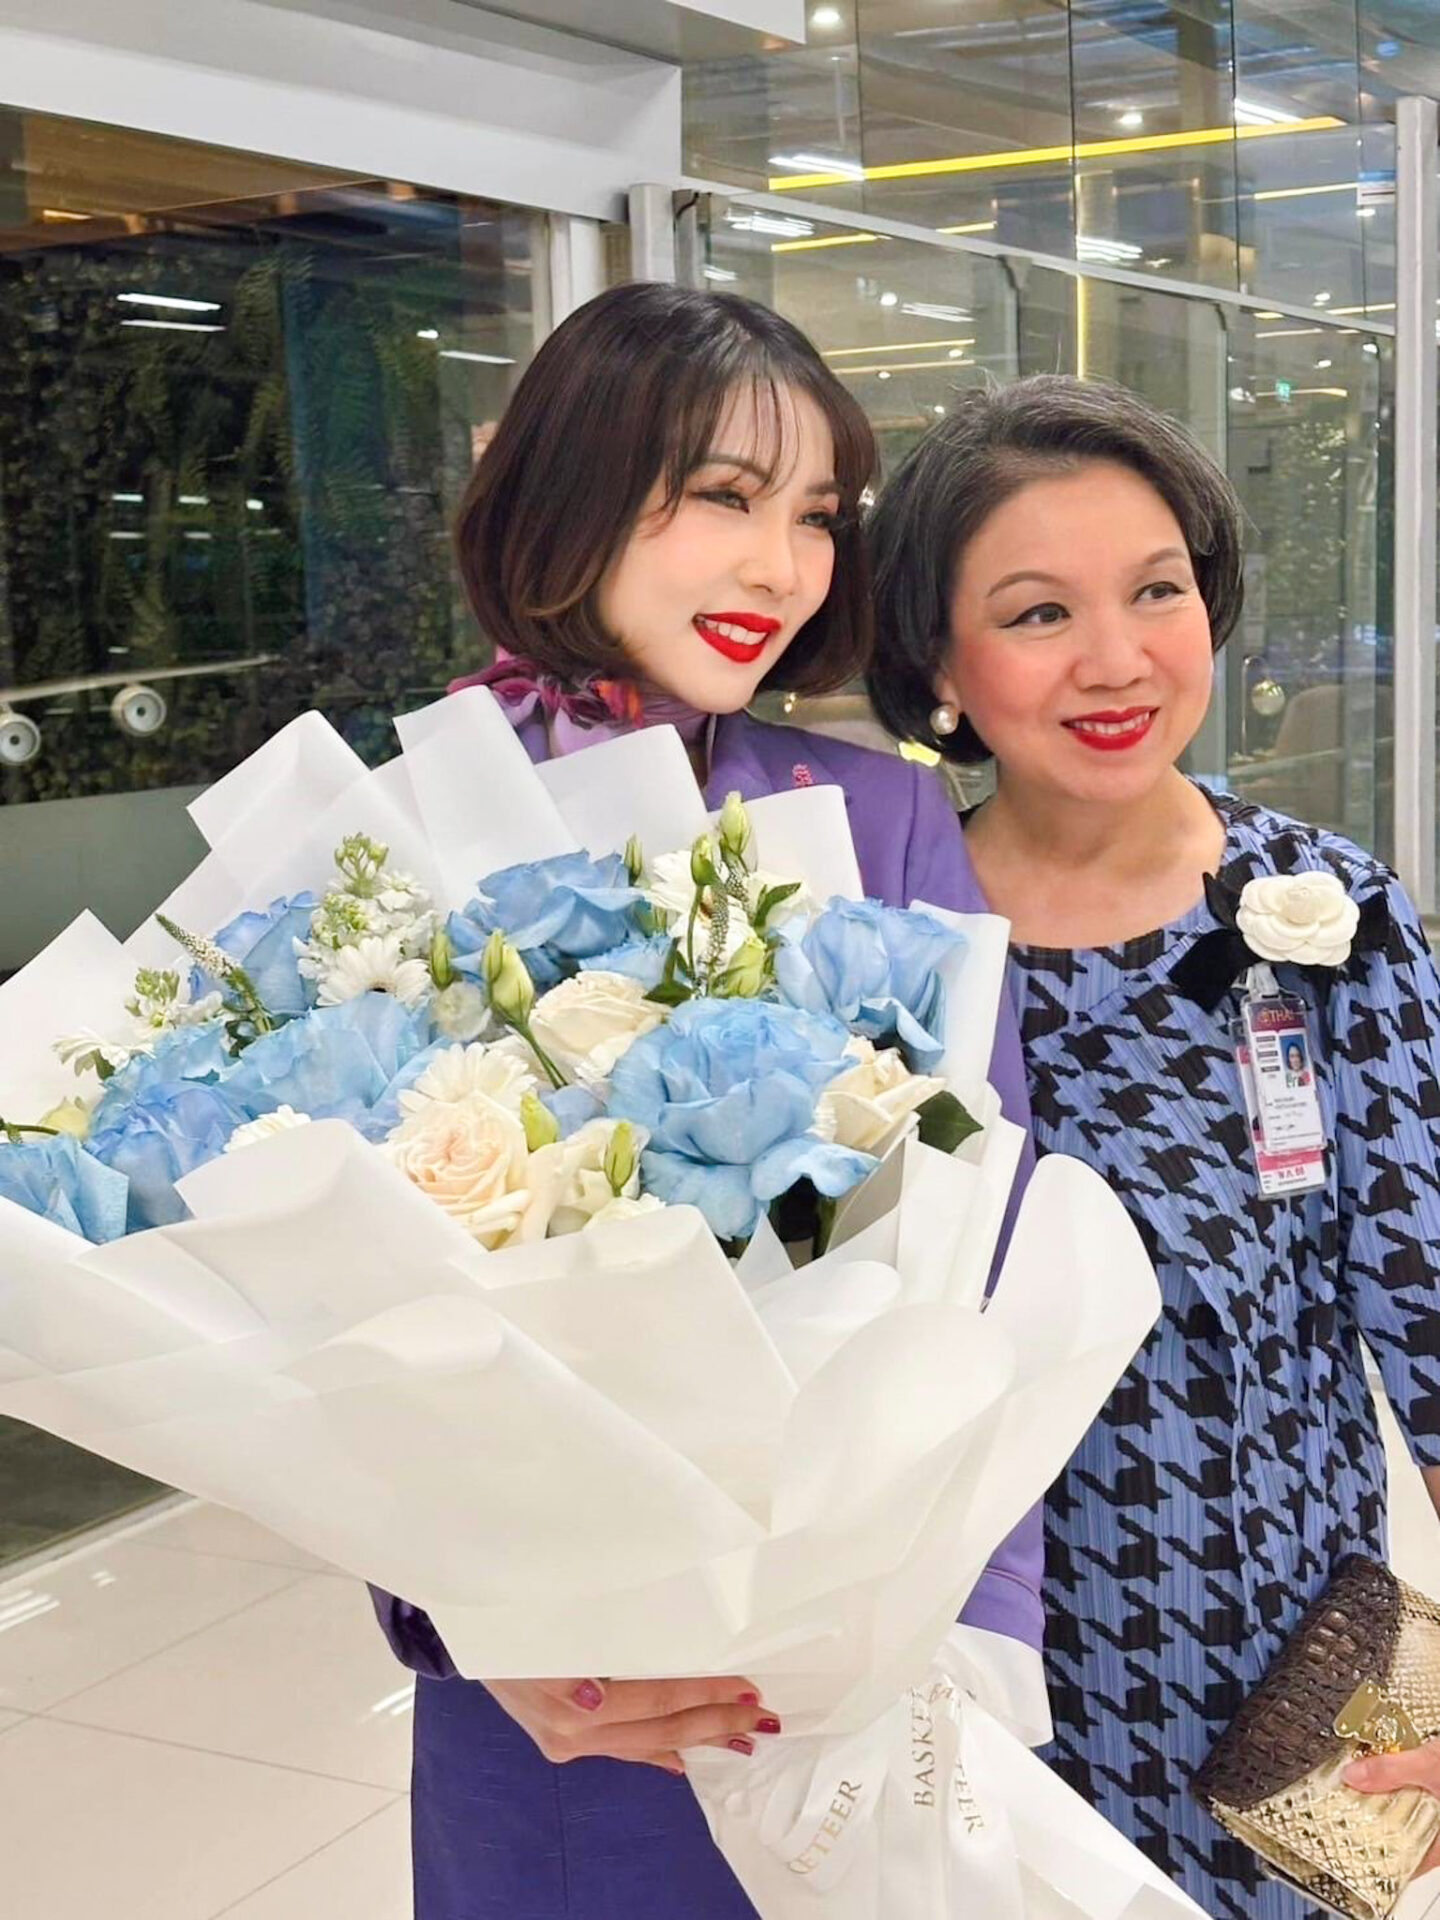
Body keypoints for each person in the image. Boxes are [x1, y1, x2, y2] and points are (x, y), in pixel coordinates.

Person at [370, 282, 1045, 1920]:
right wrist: (471, 1627)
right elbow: (343, 1312)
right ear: (575, 486)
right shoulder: (410, 827)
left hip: (852, 1656)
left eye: (815, 515)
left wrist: (968, 1631)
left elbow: (988, 1231)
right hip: (558, 1702)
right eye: (728, 497)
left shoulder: (879, 823)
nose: (782, 566)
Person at [866, 372, 1440, 1920]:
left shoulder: (1328, 916)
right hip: (968, 1687)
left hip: (1280, 1676)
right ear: (938, 657)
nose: (1115, 660)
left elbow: (1434, 1303)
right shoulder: (886, 944)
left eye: (1157, 591)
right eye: (1039, 612)